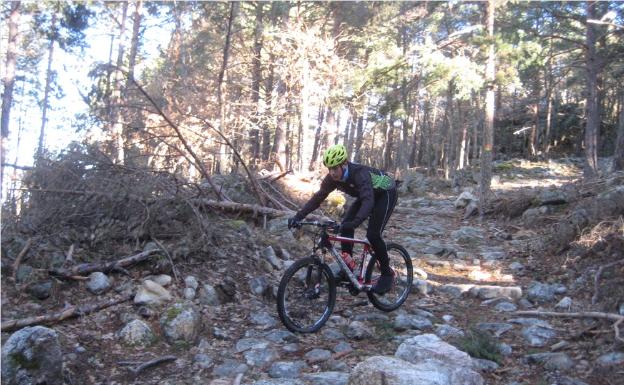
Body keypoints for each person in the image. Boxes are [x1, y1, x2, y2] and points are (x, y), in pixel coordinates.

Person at [288, 144, 398, 294]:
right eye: (330, 168)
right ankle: (349, 268)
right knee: (345, 226)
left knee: (372, 234)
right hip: (368, 195)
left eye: (335, 168)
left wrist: (356, 222)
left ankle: (387, 274)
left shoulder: (359, 174)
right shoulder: (332, 179)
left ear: (344, 164)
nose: (332, 172)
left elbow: (368, 201)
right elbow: (318, 197)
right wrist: (298, 216)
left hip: (386, 193)